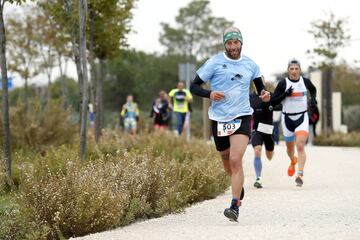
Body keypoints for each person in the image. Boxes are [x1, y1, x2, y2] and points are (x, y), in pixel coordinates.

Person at [190, 26, 270, 222]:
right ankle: (238, 186)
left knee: (235, 159)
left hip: (242, 116)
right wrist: (209, 94)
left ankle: (235, 205)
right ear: (225, 44)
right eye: (229, 43)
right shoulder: (214, 62)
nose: (233, 46)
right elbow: (193, 86)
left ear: (241, 43)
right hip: (219, 118)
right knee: (226, 162)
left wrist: (265, 95)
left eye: (236, 42)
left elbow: (261, 89)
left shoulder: (251, 65)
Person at [272, 59, 317, 187]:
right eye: (291, 69)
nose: (294, 71)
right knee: (290, 148)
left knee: (300, 145)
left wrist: (313, 100)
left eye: (296, 69)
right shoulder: (283, 83)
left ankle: (300, 174)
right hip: (287, 119)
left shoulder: (305, 82)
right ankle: (293, 160)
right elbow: (274, 100)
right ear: (288, 71)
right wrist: (285, 94)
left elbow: (313, 89)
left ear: (300, 70)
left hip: (302, 117)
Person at [250, 76, 288, 189]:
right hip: (256, 130)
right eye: (256, 81)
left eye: (261, 81)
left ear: (264, 82)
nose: (259, 83)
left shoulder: (271, 95)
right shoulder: (250, 97)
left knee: (269, 156)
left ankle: (270, 150)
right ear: (253, 83)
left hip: (268, 131)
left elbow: (281, 105)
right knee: (257, 151)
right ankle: (258, 178)